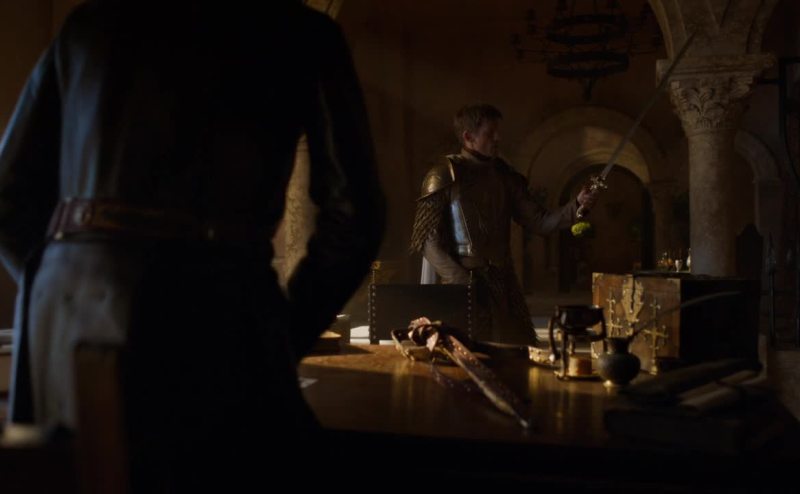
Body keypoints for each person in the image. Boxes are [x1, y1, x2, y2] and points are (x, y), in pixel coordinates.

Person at [0, 0, 384, 489]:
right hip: (212, 312)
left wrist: (61, 294)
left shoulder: (88, 23)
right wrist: (283, 334)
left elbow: (6, 200)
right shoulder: (298, 31)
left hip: (62, 319)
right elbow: (356, 216)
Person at [411, 103, 595, 346]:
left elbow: (541, 222)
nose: (498, 138)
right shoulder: (443, 175)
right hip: (461, 285)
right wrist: (462, 282)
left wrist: (577, 204)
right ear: (468, 137)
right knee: (464, 354)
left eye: (497, 132)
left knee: (515, 352)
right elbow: (427, 241)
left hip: (503, 285)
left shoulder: (504, 175)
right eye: (490, 133)